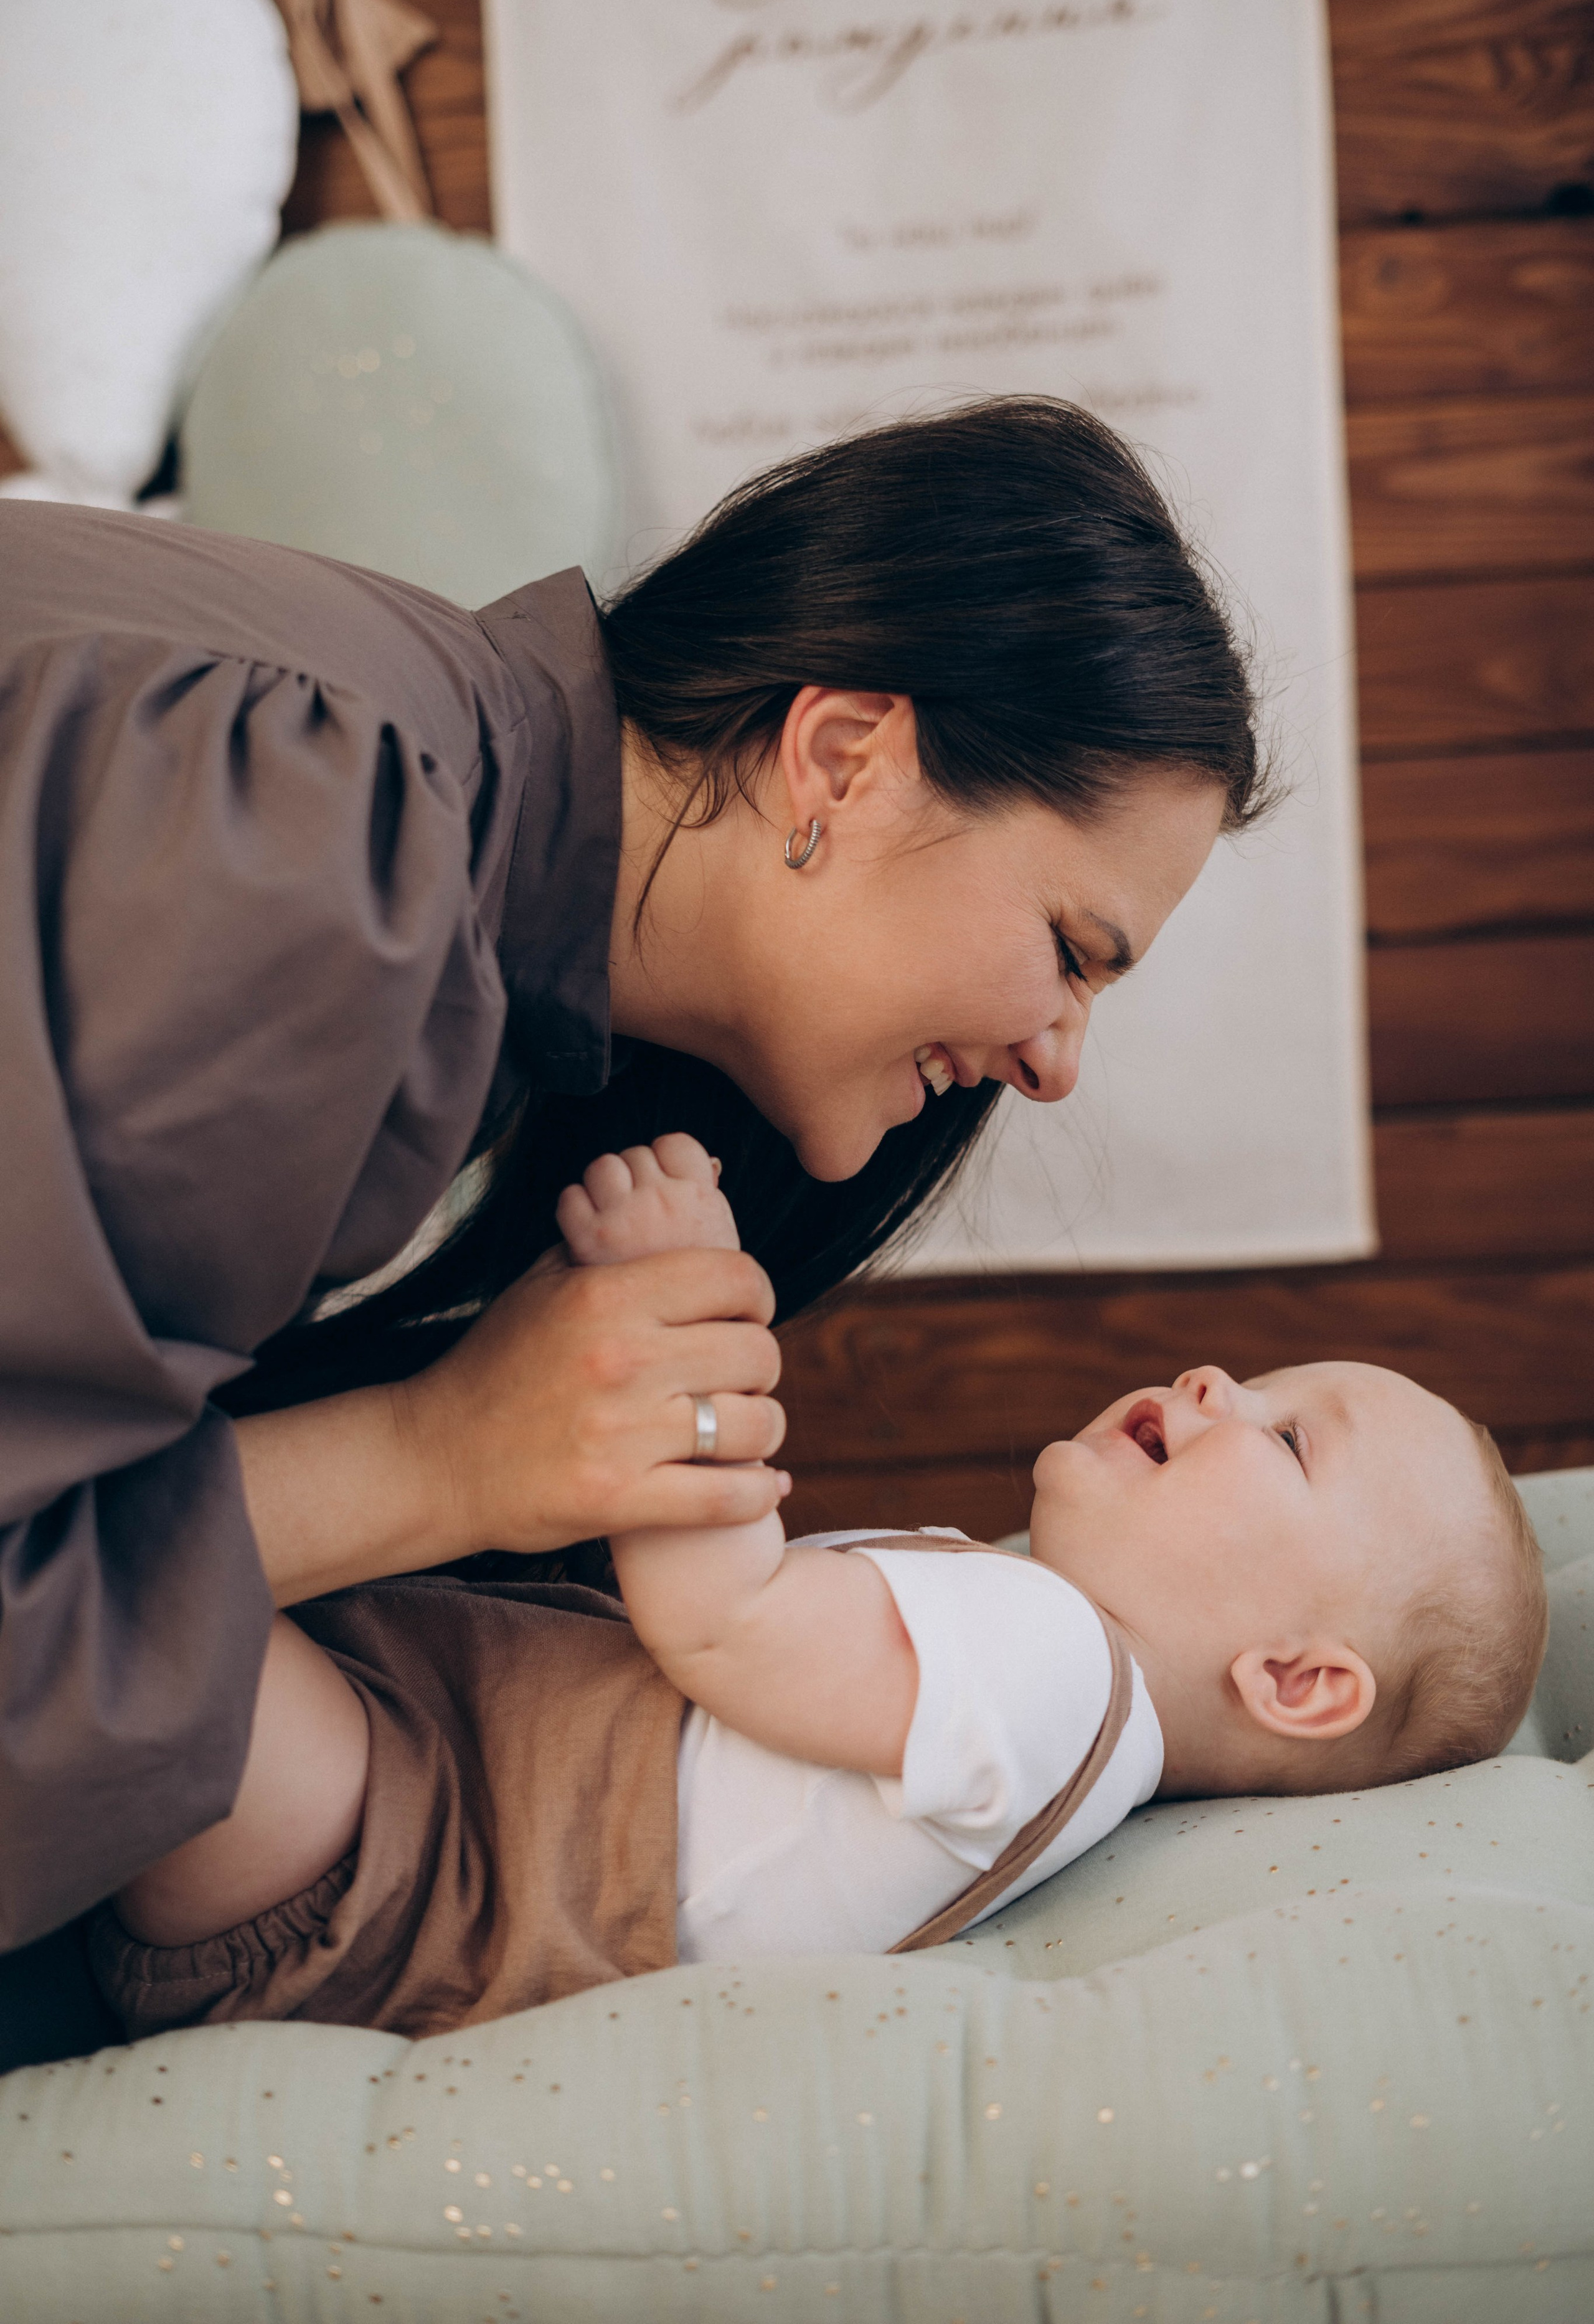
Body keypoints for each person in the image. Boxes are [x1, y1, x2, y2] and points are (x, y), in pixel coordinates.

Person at [0, 396, 1262, 2062]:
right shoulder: (323, 845)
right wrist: (439, 1456)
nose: (1055, 1062)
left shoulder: (403, 808)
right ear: (843, 761)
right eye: (1073, 948)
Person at [94, 1135, 1548, 2041]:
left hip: (405, 1861)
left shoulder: (1051, 1668)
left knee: (147, 1608)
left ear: (1295, 1682)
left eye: (1287, 1436)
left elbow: (725, 1620)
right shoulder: (1051, 1692)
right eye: (1260, 1378)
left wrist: (686, 1316)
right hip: (421, 1789)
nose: (1213, 1377)